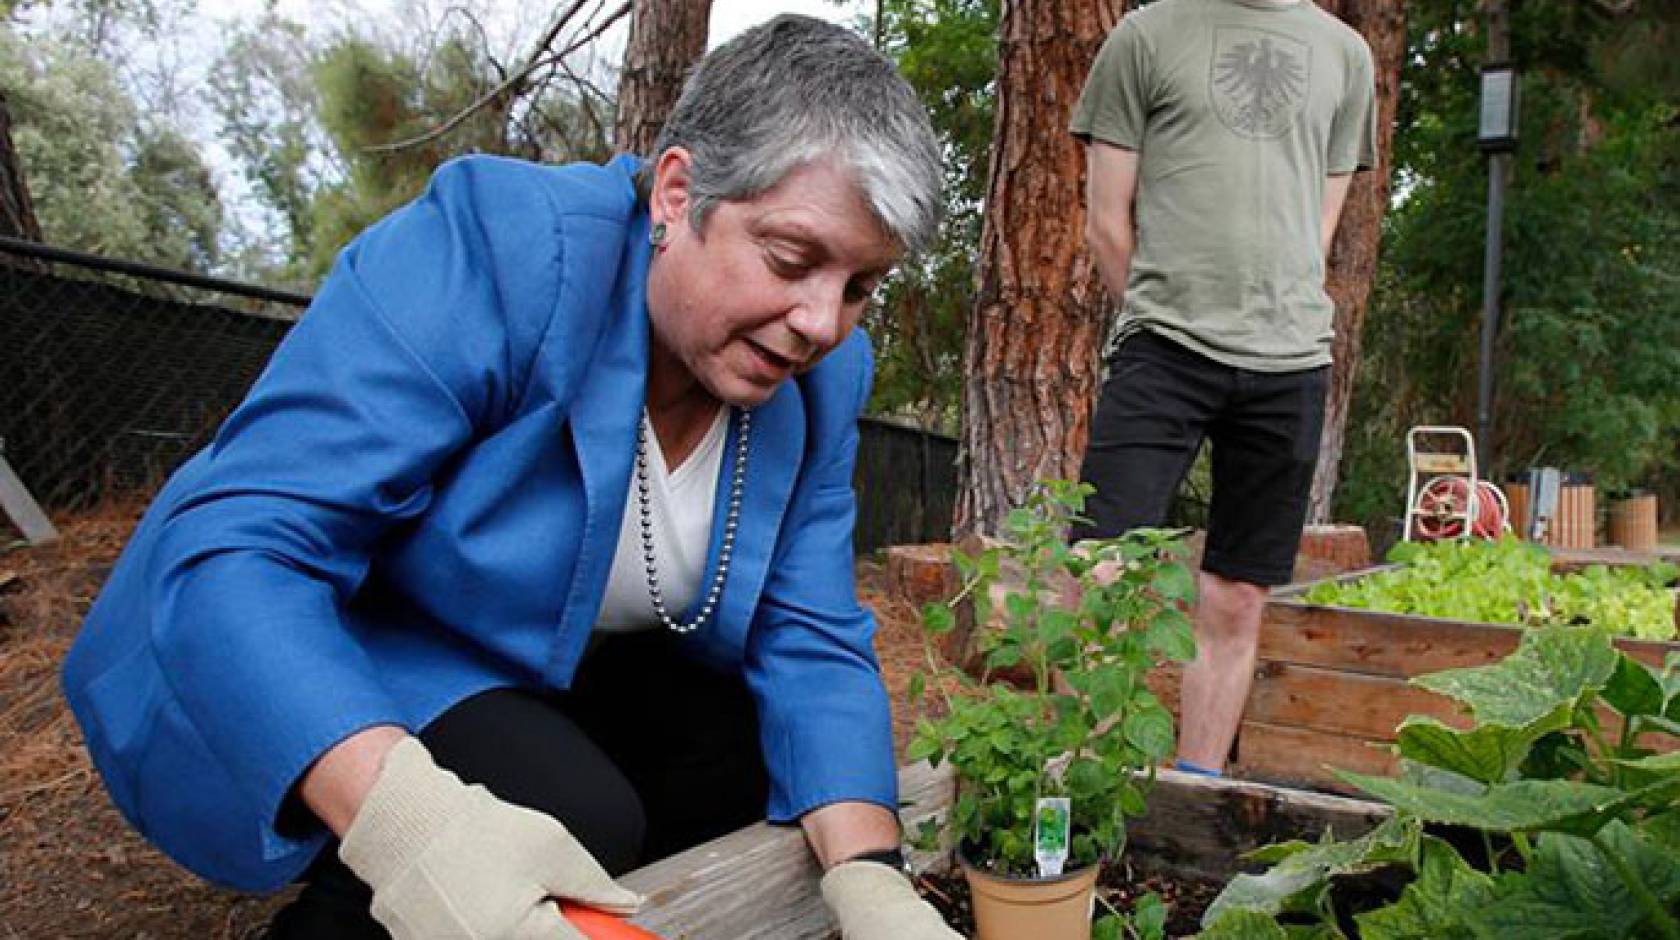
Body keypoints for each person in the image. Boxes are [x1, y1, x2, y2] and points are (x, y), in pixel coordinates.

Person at [62, 16, 960, 940]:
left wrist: (871, 881)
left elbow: (809, 636)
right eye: (791, 259)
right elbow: (237, 551)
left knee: (741, 758)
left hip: (543, 659)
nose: (821, 322)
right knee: (565, 803)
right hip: (339, 632)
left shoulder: (820, 384)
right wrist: (418, 831)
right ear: (679, 194)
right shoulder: (501, 249)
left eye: (860, 287)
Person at [1069, 0, 1377, 774]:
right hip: (1162, 352)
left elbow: (1319, 228)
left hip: (1289, 362)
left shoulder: (1346, 56)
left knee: (1237, 597)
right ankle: (1084, 797)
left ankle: (1194, 794)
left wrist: (1272, 311)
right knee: (1101, 578)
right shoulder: (1147, 34)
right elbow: (1106, 220)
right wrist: (1155, 313)